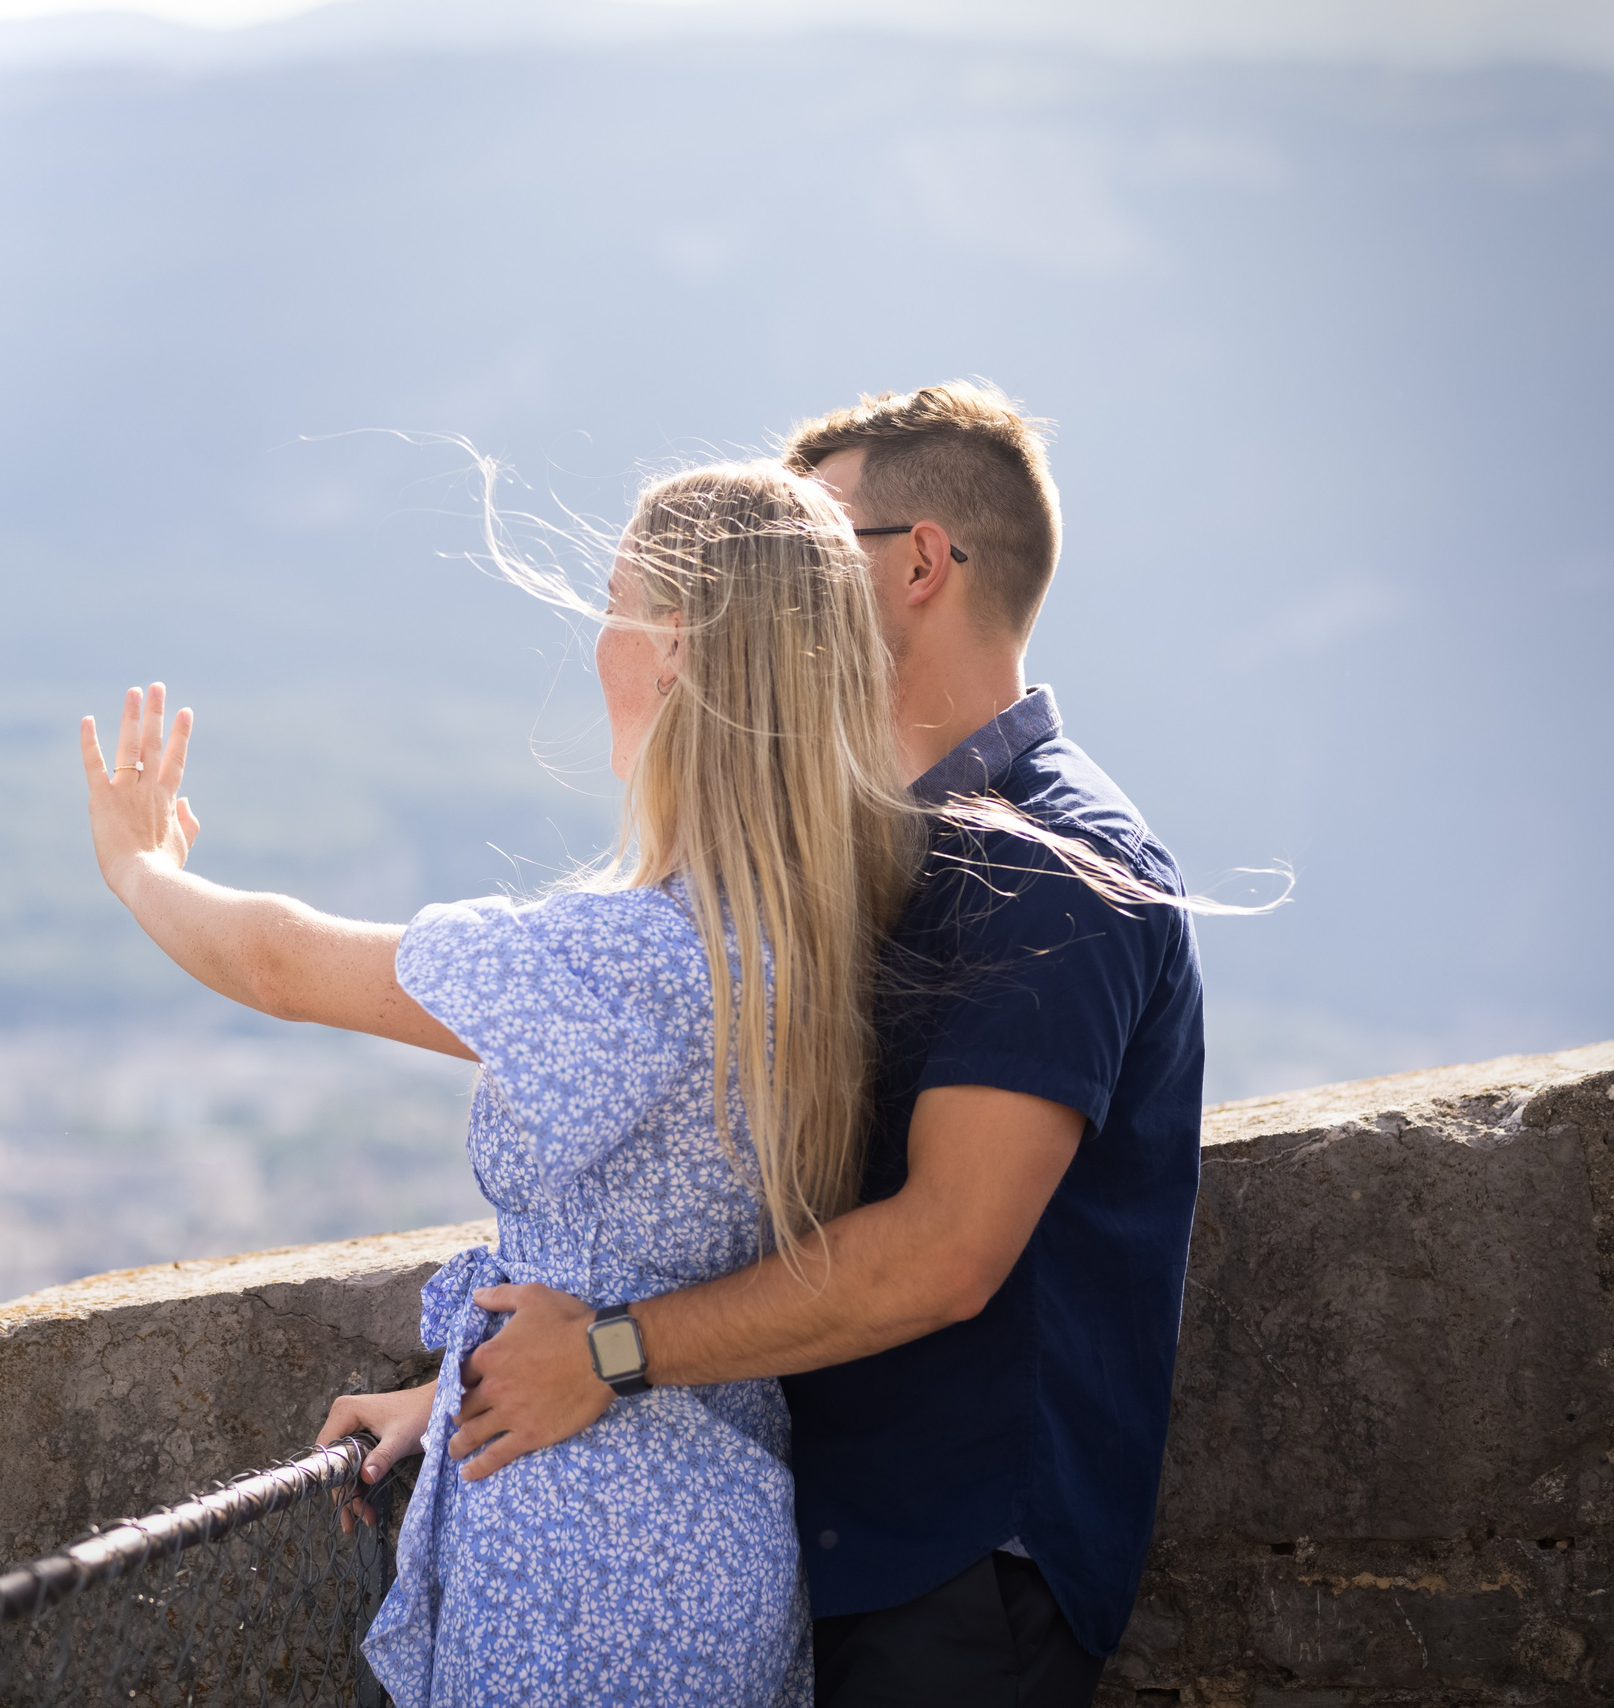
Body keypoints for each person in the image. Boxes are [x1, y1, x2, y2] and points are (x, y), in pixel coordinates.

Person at [78, 461, 931, 1706]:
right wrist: (452, 1388)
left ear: (678, 645)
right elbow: (649, 1263)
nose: (599, 636)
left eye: (614, 598)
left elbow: (279, 962)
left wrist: (138, 868)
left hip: (584, 1564)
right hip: (714, 1538)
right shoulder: (797, 935)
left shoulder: (626, 956)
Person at [441, 383, 1211, 1707]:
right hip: (843, 1541)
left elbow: (946, 1250)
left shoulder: (1052, 868)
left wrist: (607, 1353)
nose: (774, 587)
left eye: (816, 544)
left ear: (920, 563)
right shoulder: (877, 852)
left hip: (965, 1569)